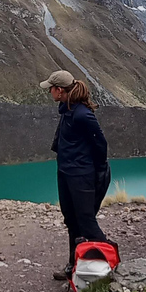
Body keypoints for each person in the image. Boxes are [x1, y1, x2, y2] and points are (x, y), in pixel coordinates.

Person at [40, 70, 111, 280]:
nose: (50, 92)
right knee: (72, 221)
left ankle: (109, 265)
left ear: (59, 90)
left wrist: (97, 173)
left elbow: (101, 145)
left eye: (51, 88)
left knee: (86, 223)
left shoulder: (82, 114)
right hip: (66, 173)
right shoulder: (67, 110)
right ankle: (74, 267)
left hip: (81, 177)